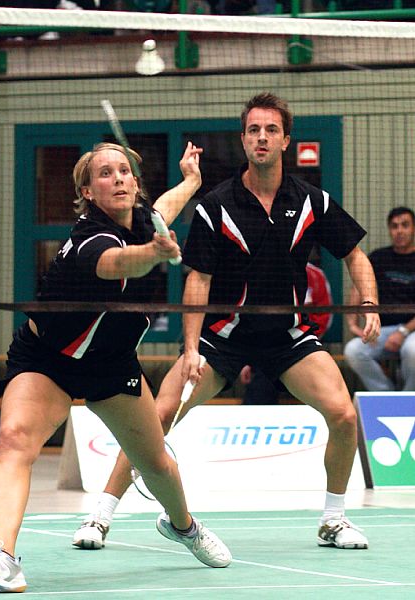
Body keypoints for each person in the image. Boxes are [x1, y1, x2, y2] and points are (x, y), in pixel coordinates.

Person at [72, 92, 380, 553]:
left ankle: (334, 520)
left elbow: (355, 255)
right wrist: (192, 348)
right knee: (155, 416)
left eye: (271, 130)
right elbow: (198, 280)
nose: (262, 137)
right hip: (222, 337)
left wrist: (369, 301)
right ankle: (100, 516)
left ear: (285, 140)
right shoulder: (216, 204)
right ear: (243, 140)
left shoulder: (313, 201)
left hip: (289, 335)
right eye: (253, 130)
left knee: (342, 413)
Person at [0, 141, 231, 594]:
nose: (117, 178)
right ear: (87, 190)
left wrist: (192, 182)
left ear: (134, 184)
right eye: (105, 173)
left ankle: (184, 526)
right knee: (14, 439)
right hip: (47, 359)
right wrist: (154, 255)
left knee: (156, 462)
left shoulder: (140, 218)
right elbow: (117, 263)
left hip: (110, 363)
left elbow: (162, 208)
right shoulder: (90, 238)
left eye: (124, 171)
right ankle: (1, 556)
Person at [241, 260, 333, 404]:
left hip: (305, 343)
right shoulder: (263, 273)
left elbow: (324, 315)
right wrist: (247, 360)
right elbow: (253, 319)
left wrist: (304, 340)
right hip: (269, 344)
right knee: (263, 377)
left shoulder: (316, 275)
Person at [344, 207, 415, 391]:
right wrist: (352, 324)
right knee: (353, 350)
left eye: (405, 225)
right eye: (394, 226)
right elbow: (357, 288)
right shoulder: (378, 257)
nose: (399, 231)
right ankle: (386, 395)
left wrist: (403, 332)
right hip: (382, 331)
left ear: (413, 229)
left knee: (412, 351)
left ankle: (409, 398)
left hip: (411, 330)